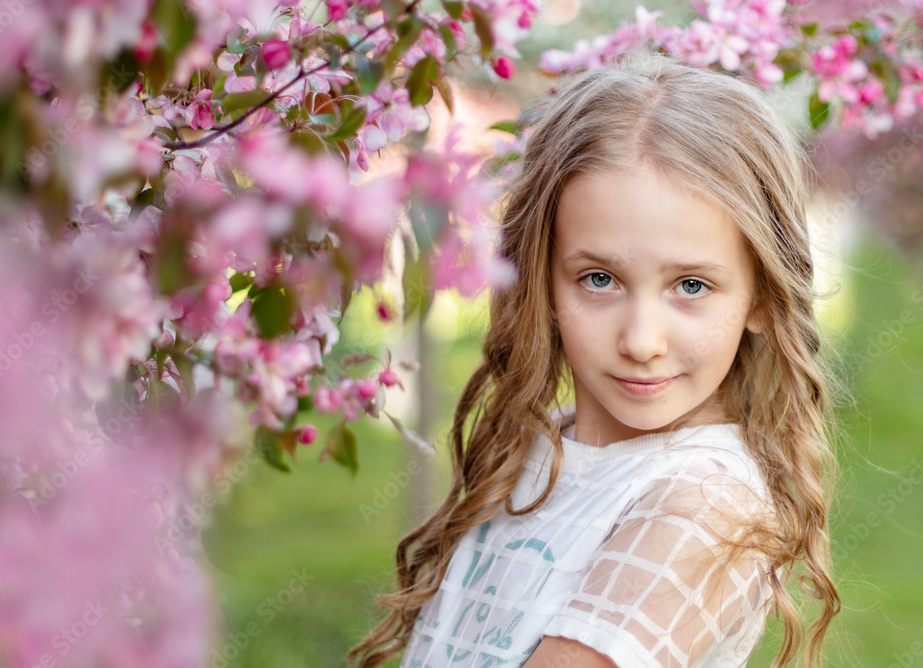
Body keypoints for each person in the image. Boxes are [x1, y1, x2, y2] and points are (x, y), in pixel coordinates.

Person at [349, 54, 840, 668]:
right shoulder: (546, 445)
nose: (641, 340)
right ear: (541, 281)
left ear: (762, 296)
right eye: (600, 278)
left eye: (690, 285)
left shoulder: (702, 509)